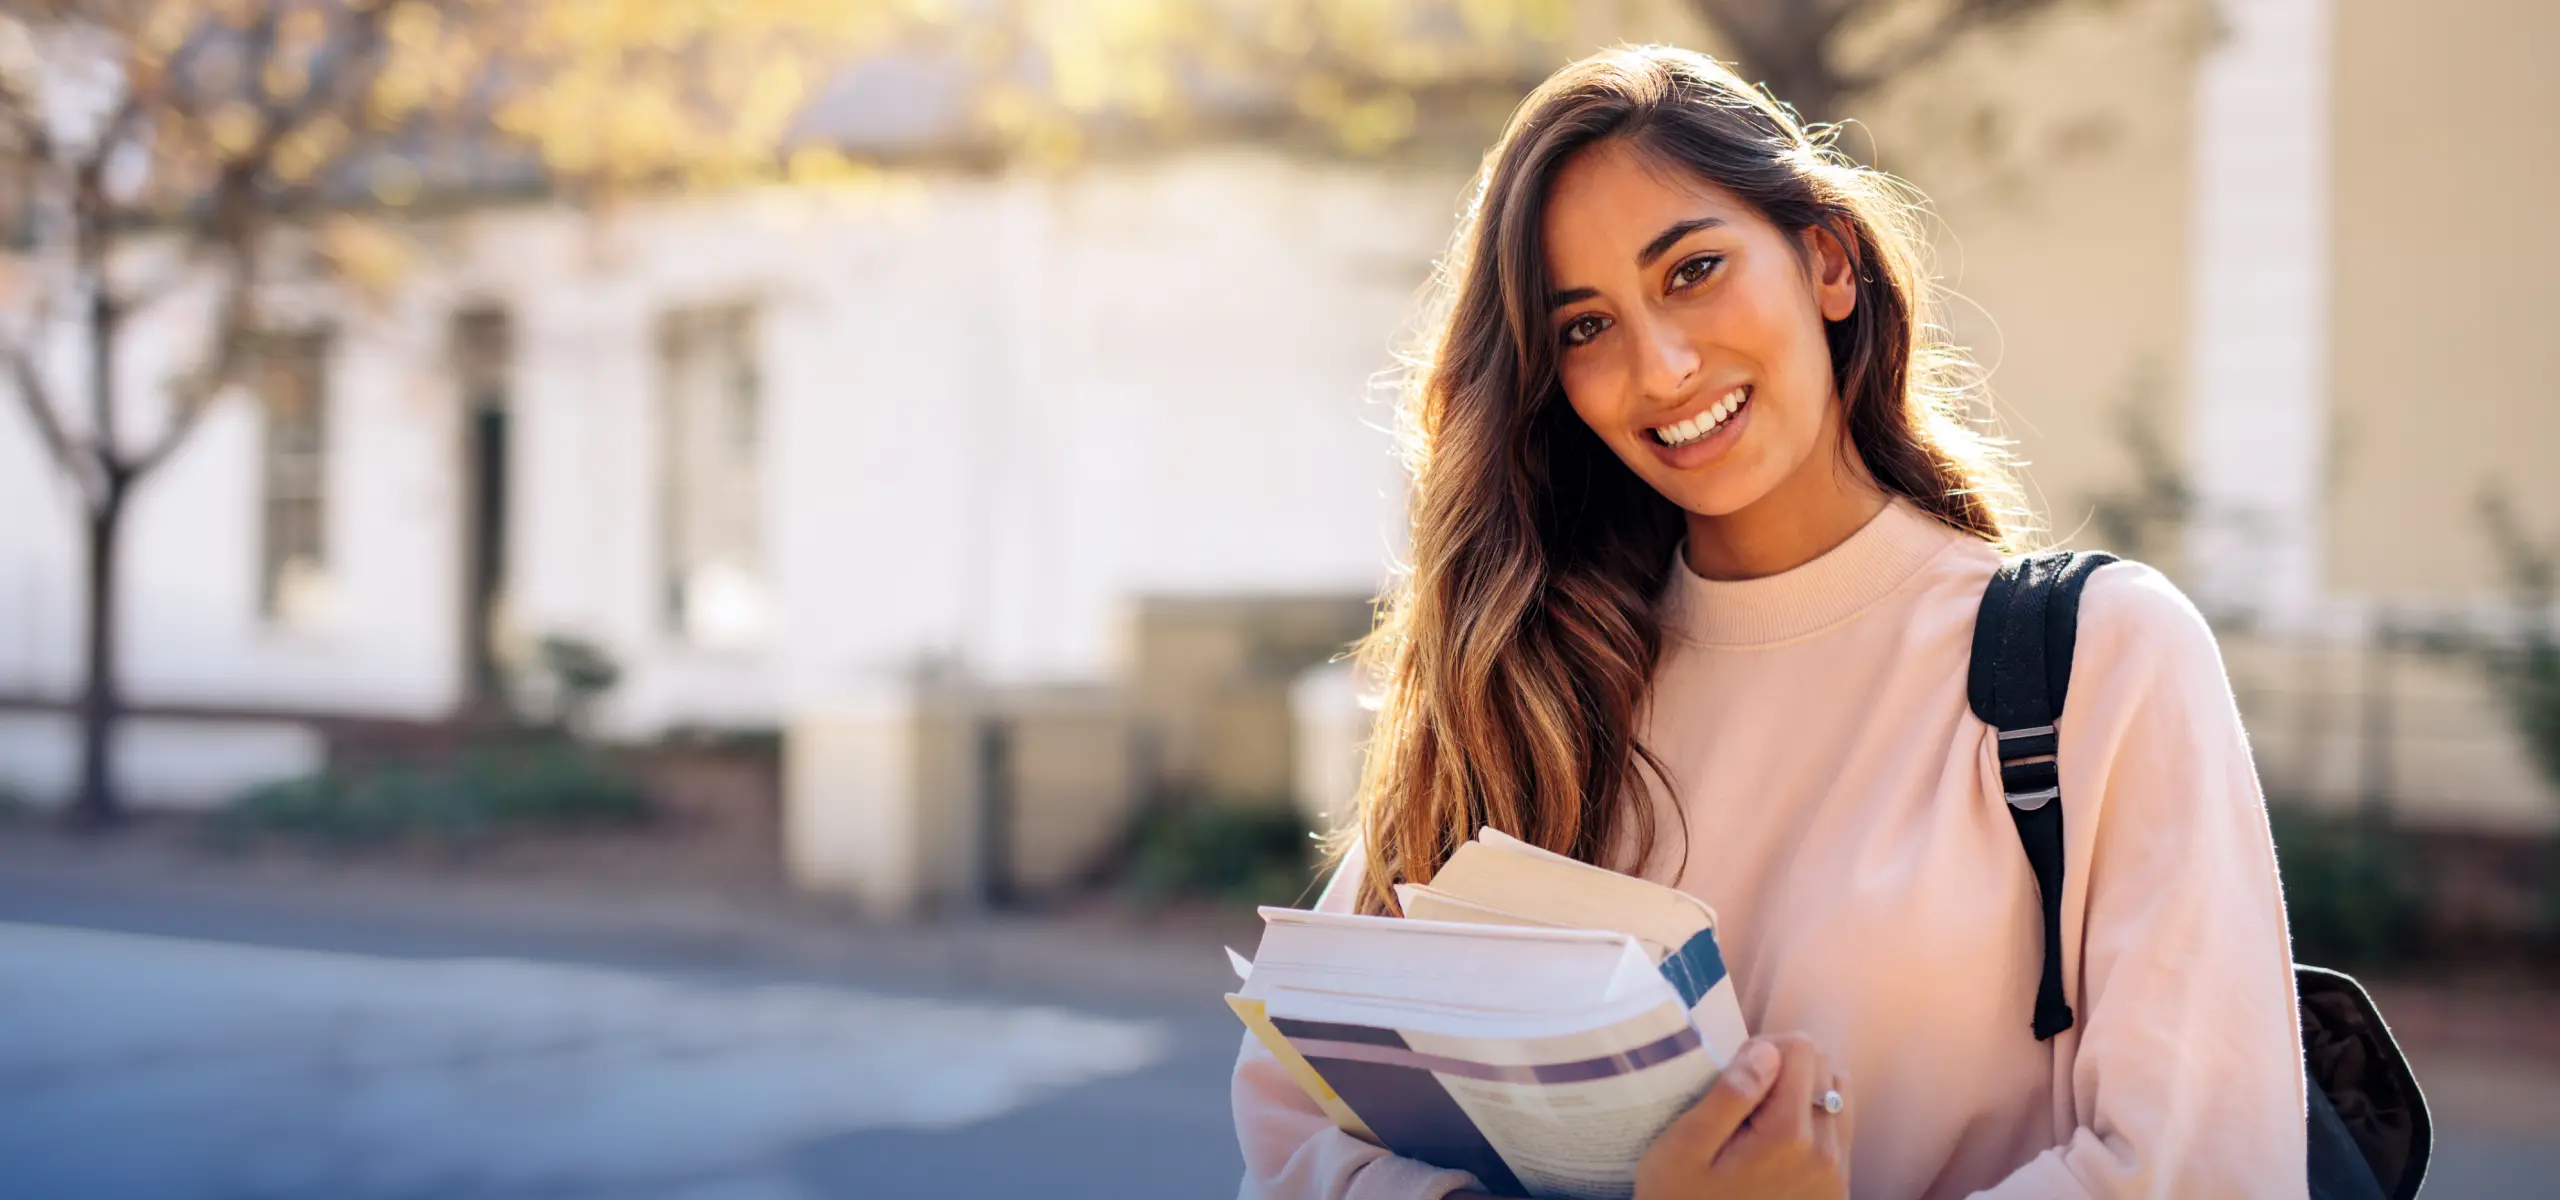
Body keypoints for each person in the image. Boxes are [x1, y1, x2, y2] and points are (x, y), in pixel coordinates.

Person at [1230, 44, 2307, 1200]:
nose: (1662, 367)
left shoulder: (2100, 659)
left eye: (1691, 270)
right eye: (1584, 328)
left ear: (1826, 259)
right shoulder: (1527, 685)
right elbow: (1293, 1140)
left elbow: (2205, 1170)